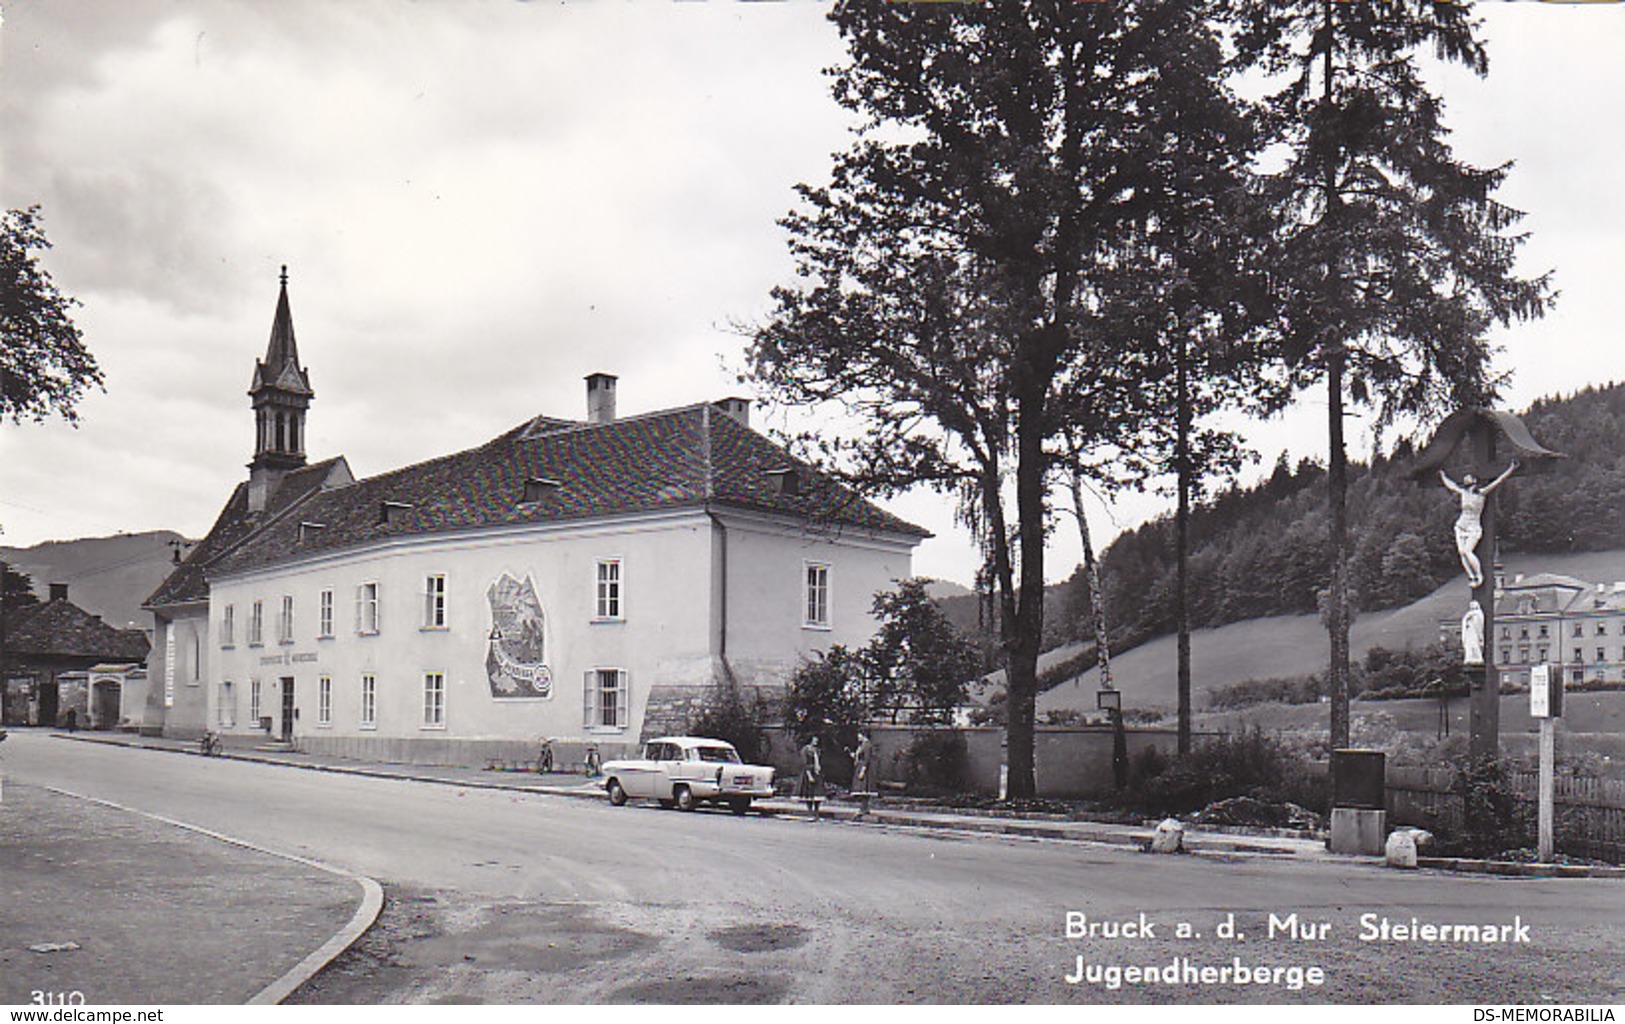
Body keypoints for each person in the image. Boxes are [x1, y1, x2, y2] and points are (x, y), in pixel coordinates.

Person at [1440, 461, 1518, 588]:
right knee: (1462, 552)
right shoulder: (1464, 493)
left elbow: (1499, 481)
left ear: (1474, 480)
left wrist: (1511, 469)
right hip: (1461, 525)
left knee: (1467, 551)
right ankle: (1471, 576)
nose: (1466, 478)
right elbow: (1451, 485)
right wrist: (1443, 476)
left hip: (1473, 527)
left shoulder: (1481, 493)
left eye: (1468, 477)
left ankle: (1479, 575)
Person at [798, 735, 824, 818]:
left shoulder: (818, 750)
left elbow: (820, 761)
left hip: (817, 772)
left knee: (818, 793)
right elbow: (804, 762)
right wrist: (809, 774)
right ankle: (810, 812)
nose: (816, 741)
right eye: (814, 739)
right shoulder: (806, 749)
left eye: (817, 740)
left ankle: (816, 812)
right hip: (809, 771)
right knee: (809, 793)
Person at [1461, 600, 1485, 666]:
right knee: (1468, 645)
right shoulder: (1468, 614)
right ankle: (1469, 657)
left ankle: (1478, 657)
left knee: (1475, 644)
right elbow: (1464, 621)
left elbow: (1480, 623)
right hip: (1469, 632)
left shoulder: (1479, 613)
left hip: (1475, 632)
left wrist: (1473, 619)